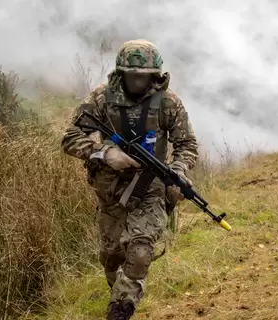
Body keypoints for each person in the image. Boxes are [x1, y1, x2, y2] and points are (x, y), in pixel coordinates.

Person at [61, 39, 199, 320]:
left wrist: (179, 172)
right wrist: (104, 153)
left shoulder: (168, 102)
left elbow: (187, 145)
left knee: (139, 249)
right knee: (112, 256)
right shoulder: (101, 99)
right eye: (134, 75)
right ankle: (120, 295)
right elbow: (70, 138)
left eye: (146, 75)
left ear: (155, 74)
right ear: (121, 73)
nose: (140, 81)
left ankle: (120, 311)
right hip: (110, 188)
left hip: (151, 185)